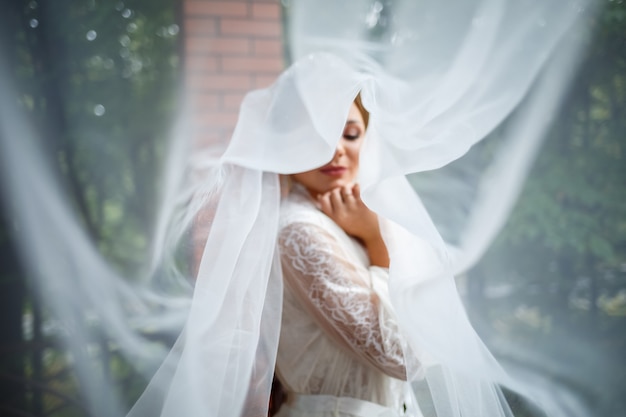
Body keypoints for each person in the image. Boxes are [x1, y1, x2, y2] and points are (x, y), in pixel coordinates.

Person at [272, 95, 423, 417]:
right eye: (316, 138)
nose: (336, 149)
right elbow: (401, 358)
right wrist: (376, 241)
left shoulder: (351, 214)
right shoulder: (300, 231)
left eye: (351, 134)